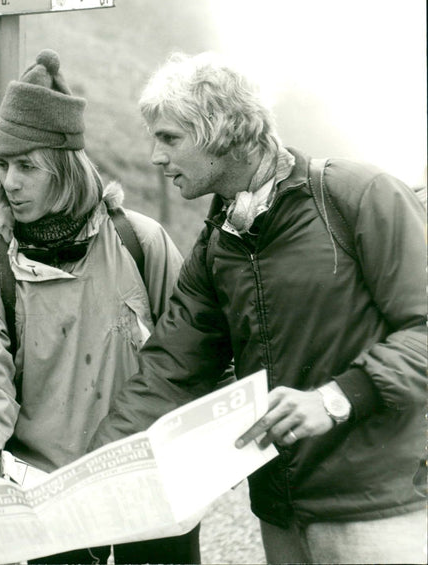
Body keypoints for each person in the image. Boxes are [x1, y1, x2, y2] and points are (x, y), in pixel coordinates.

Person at [89, 52, 427, 564]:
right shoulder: (216, 241)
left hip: (378, 510)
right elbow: (169, 370)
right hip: (280, 513)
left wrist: (336, 398)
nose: (156, 157)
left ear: (222, 132)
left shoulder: (359, 194)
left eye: (170, 138)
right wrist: (96, 470)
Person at [0, 49, 198, 564]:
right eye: (2, 165)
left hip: (147, 487)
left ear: (64, 167)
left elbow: (189, 353)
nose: (10, 182)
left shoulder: (139, 242)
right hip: (47, 501)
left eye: (26, 166)